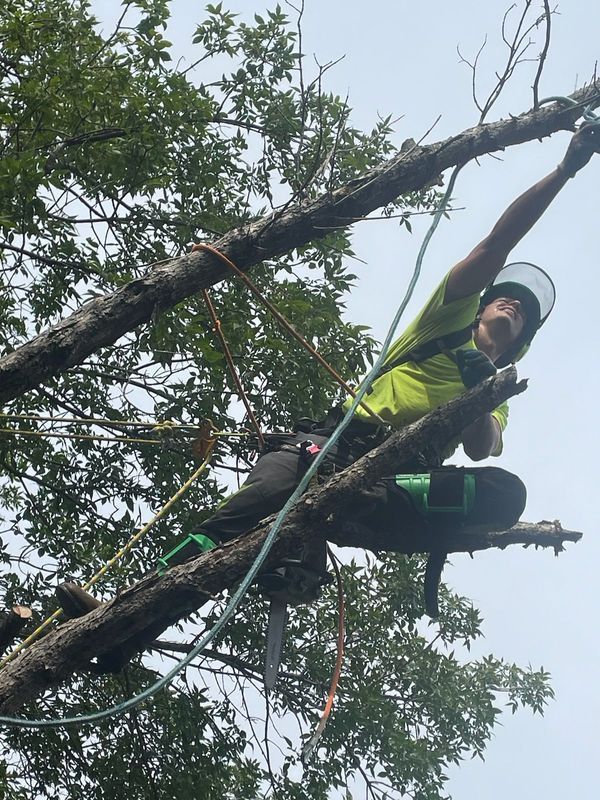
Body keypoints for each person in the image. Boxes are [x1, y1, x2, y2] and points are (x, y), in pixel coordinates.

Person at [57, 125, 599, 633]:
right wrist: (564, 171)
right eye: (506, 297)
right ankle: (116, 623)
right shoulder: (447, 320)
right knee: (229, 524)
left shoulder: (499, 387)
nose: (512, 304)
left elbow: (485, 449)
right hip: (330, 446)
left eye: (524, 312)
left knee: (507, 493)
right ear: (480, 307)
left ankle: (354, 502)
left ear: (521, 341)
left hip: (397, 484)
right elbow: (496, 245)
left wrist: (482, 394)